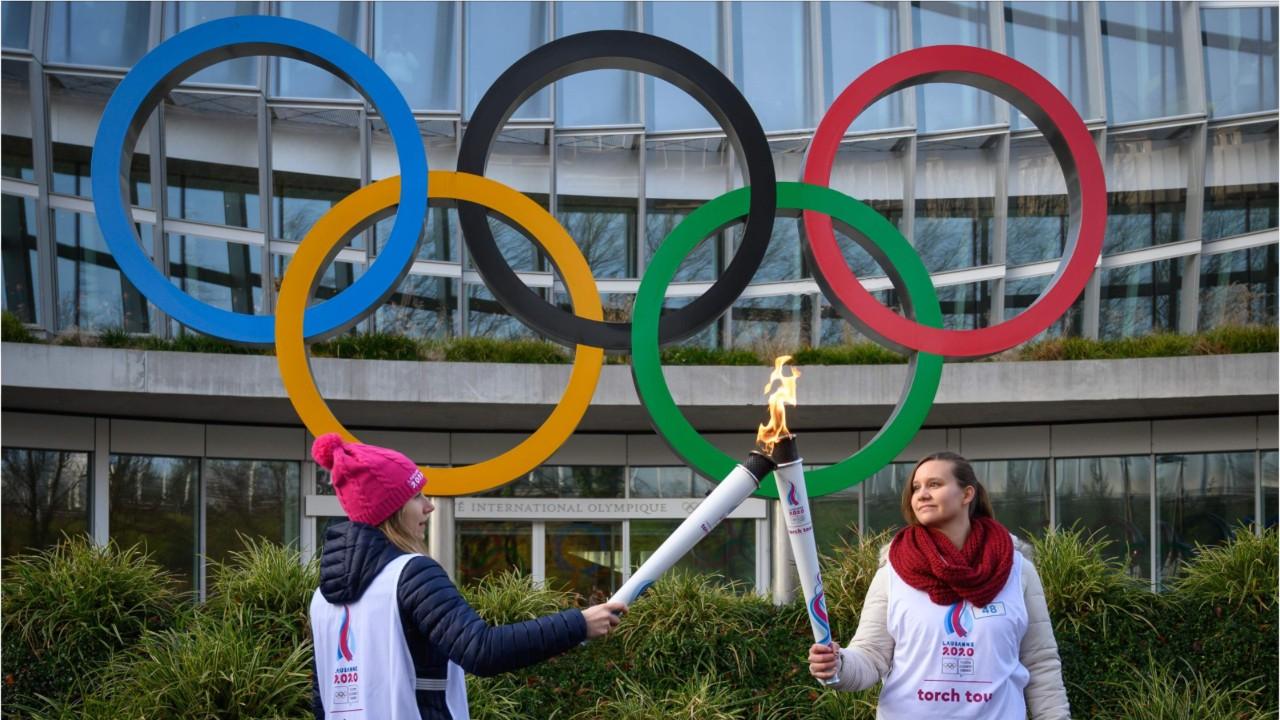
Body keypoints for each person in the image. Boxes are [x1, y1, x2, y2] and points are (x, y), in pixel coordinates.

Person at [308, 433, 626, 719]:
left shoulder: (322, 598)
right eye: (417, 497)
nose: (429, 506)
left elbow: (323, 701)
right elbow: (482, 650)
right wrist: (579, 624)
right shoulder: (411, 575)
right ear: (392, 510)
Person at [808, 451, 1070, 719]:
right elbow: (871, 657)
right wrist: (837, 665)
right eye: (916, 487)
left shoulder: (1017, 570)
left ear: (967, 494)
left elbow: (1041, 664)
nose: (922, 494)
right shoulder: (894, 571)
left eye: (934, 484)